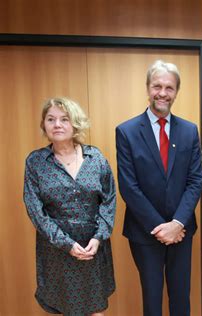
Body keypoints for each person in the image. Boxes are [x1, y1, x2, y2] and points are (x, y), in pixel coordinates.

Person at [116, 60, 202, 316]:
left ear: (176, 92)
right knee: (152, 300)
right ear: (148, 88)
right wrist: (160, 227)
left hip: (182, 231)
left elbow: (195, 180)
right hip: (145, 232)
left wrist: (177, 223)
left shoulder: (189, 131)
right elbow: (129, 187)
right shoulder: (127, 131)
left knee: (180, 297)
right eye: (157, 86)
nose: (162, 93)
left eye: (169, 87)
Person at [23, 97, 116, 315]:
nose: (57, 124)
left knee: (96, 309)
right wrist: (66, 244)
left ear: (75, 124)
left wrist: (98, 237)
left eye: (64, 119)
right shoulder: (36, 162)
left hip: (93, 246)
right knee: (66, 308)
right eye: (51, 119)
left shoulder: (96, 158)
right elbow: (36, 211)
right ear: (44, 125)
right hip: (56, 249)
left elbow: (109, 201)